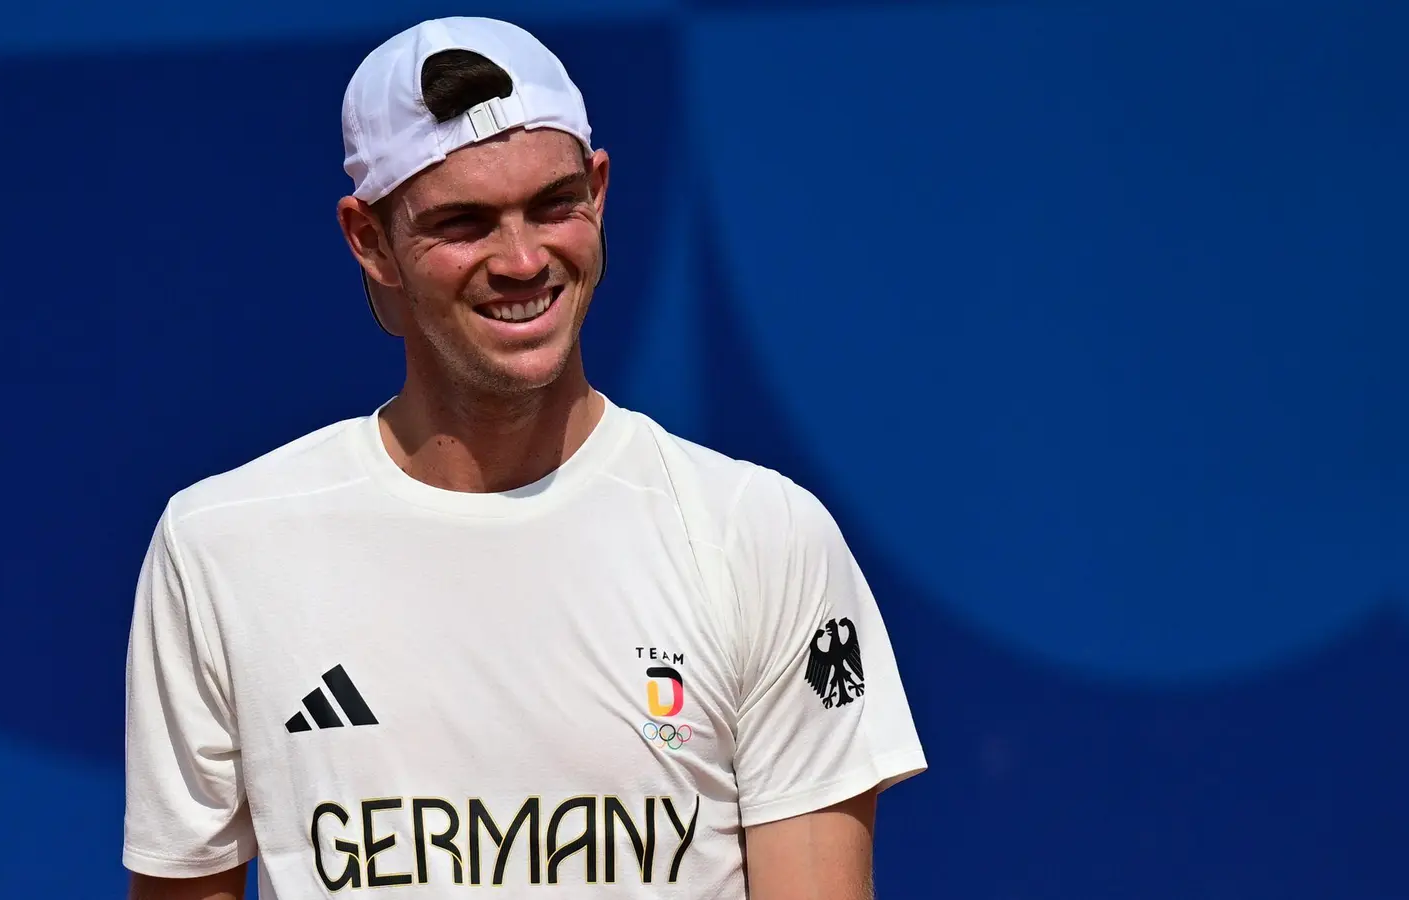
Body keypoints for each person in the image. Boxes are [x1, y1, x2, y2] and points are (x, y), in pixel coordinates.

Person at [122, 16, 926, 900]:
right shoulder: (223, 547)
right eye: (464, 223)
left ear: (600, 190)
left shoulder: (759, 537)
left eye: (553, 205)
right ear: (370, 240)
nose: (522, 259)